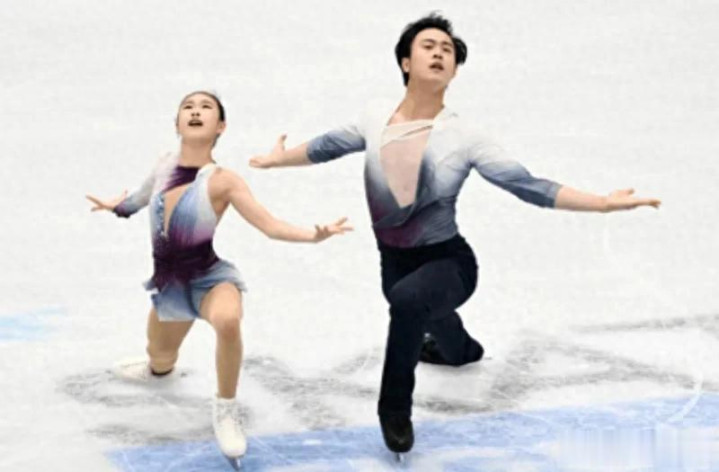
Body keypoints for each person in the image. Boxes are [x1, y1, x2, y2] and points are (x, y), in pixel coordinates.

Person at [249, 13, 661, 456]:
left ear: (455, 71)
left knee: (410, 302)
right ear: (406, 62)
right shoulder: (375, 117)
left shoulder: (464, 136)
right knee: (416, 305)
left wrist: (602, 202)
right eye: (428, 46)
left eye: (447, 50)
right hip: (394, 262)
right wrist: (278, 160)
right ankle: (460, 350)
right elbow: (328, 145)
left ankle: (394, 411)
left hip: (450, 263)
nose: (439, 53)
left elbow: (528, 186)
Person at [86, 91, 352, 463]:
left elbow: (270, 225)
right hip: (171, 287)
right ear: (177, 123)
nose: (196, 111)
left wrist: (313, 235)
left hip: (210, 279)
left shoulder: (224, 181)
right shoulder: (164, 165)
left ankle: (226, 407)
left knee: (227, 320)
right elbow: (141, 198)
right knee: (160, 359)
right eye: (188, 107)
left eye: (206, 108)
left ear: (221, 126)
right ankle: (158, 369)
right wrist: (117, 207)